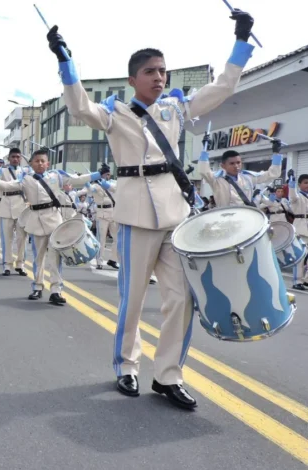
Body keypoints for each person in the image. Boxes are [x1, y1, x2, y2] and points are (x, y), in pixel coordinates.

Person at [48, 8, 255, 409]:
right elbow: (79, 108)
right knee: (134, 298)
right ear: (132, 80)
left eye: (163, 71)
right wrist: (65, 62)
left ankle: (168, 375)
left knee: (182, 298)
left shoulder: (176, 109)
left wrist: (242, 41)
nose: (159, 78)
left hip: (175, 215)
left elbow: (222, 88)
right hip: (135, 215)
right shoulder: (114, 114)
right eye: (150, 72)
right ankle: (127, 366)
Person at [0, 151, 100, 304]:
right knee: (39, 257)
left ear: (48, 163)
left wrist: (98, 174)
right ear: (31, 164)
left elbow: (78, 180)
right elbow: (8, 186)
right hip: (36, 220)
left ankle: (56, 290)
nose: (40, 163)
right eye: (36, 161)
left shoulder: (56, 176)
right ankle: (37, 287)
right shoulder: (26, 179)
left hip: (54, 219)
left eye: (43, 161)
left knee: (55, 258)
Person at [198, 140, 282, 208]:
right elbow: (203, 171)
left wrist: (276, 153)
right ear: (222, 166)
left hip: (245, 219)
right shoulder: (216, 179)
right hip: (224, 220)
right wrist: (204, 150)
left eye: (238, 162)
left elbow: (272, 174)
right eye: (232, 163)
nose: (236, 166)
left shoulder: (248, 177)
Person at [0, 149, 29, 276]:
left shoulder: (25, 171)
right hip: (6, 205)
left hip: (21, 207)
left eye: (18, 157)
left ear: (20, 158)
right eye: (13, 157)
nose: (15, 159)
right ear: (9, 158)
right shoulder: (2, 171)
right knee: (7, 239)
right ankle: (7, 265)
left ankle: (20, 264)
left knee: (22, 239)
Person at [86, 166, 119, 270]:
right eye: (105, 174)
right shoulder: (96, 185)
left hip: (113, 213)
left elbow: (115, 189)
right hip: (102, 214)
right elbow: (90, 190)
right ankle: (99, 261)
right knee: (101, 239)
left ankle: (113, 259)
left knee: (117, 238)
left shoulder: (112, 183)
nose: (107, 176)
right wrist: (87, 181)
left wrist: (105, 184)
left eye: (108, 174)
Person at [288, 171, 308, 290]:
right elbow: (292, 195)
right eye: (305, 183)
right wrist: (291, 181)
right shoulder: (296, 197)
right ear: (299, 184)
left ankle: (307, 280)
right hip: (300, 227)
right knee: (300, 256)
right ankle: (297, 281)